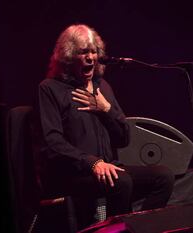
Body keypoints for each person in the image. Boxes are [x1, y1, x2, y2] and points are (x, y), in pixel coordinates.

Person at [38, 24, 175, 229]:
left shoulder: (103, 87)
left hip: (110, 167)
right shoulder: (50, 89)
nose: (90, 57)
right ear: (68, 56)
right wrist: (92, 163)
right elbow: (52, 142)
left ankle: (138, 228)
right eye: (83, 52)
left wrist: (106, 109)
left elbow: (123, 138)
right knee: (121, 183)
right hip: (75, 174)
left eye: (93, 52)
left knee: (163, 177)